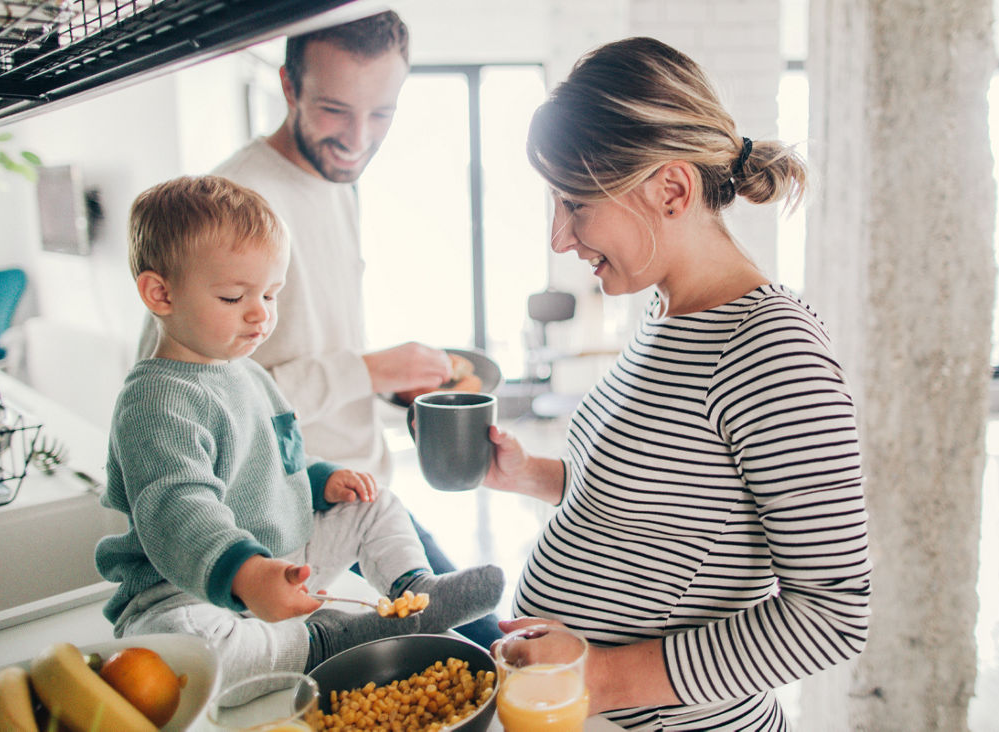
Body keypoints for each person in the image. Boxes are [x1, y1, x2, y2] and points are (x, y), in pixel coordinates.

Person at [484, 37, 872, 730]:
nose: (559, 237)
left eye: (575, 204)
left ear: (671, 188)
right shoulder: (667, 312)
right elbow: (661, 508)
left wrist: (596, 678)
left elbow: (832, 615)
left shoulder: (772, 350)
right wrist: (530, 474)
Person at [135, 11, 502, 646]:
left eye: (381, 113)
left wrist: (391, 390)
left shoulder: (333, 182)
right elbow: (184, 385)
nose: (358, 138)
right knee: (469, 654)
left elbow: (304, 346)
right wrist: (368, 369)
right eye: (336, 110)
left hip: (353, 489)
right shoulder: (236, 201)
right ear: (288, 86)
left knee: (485, 644)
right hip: (281, 524)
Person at [101, 175, 503, 693]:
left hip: (279, 559)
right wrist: (245, 574)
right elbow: (178, 510)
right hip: (184, 589)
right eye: (232, 297)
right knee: (188, 644)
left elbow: (278, 459)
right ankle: (324, 643)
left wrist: (321, 482)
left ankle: (413, 592)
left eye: (271, 294)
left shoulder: (248, 373)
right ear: (160, 293)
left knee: (375, 502)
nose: (261, 314)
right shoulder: (155, 402)